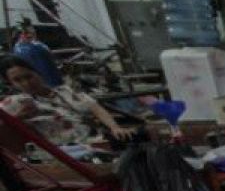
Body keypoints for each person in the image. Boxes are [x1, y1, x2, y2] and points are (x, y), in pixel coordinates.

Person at [0, 55, 135, 146]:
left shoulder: (66, 91)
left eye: (28, 76)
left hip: (98, 139)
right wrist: (17, 118)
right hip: (68, 150)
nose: (26, 83)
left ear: (37, 73)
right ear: (11, 84)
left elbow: (95, 108)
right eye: (18, 80)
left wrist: (115, 127)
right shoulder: (17, 102)